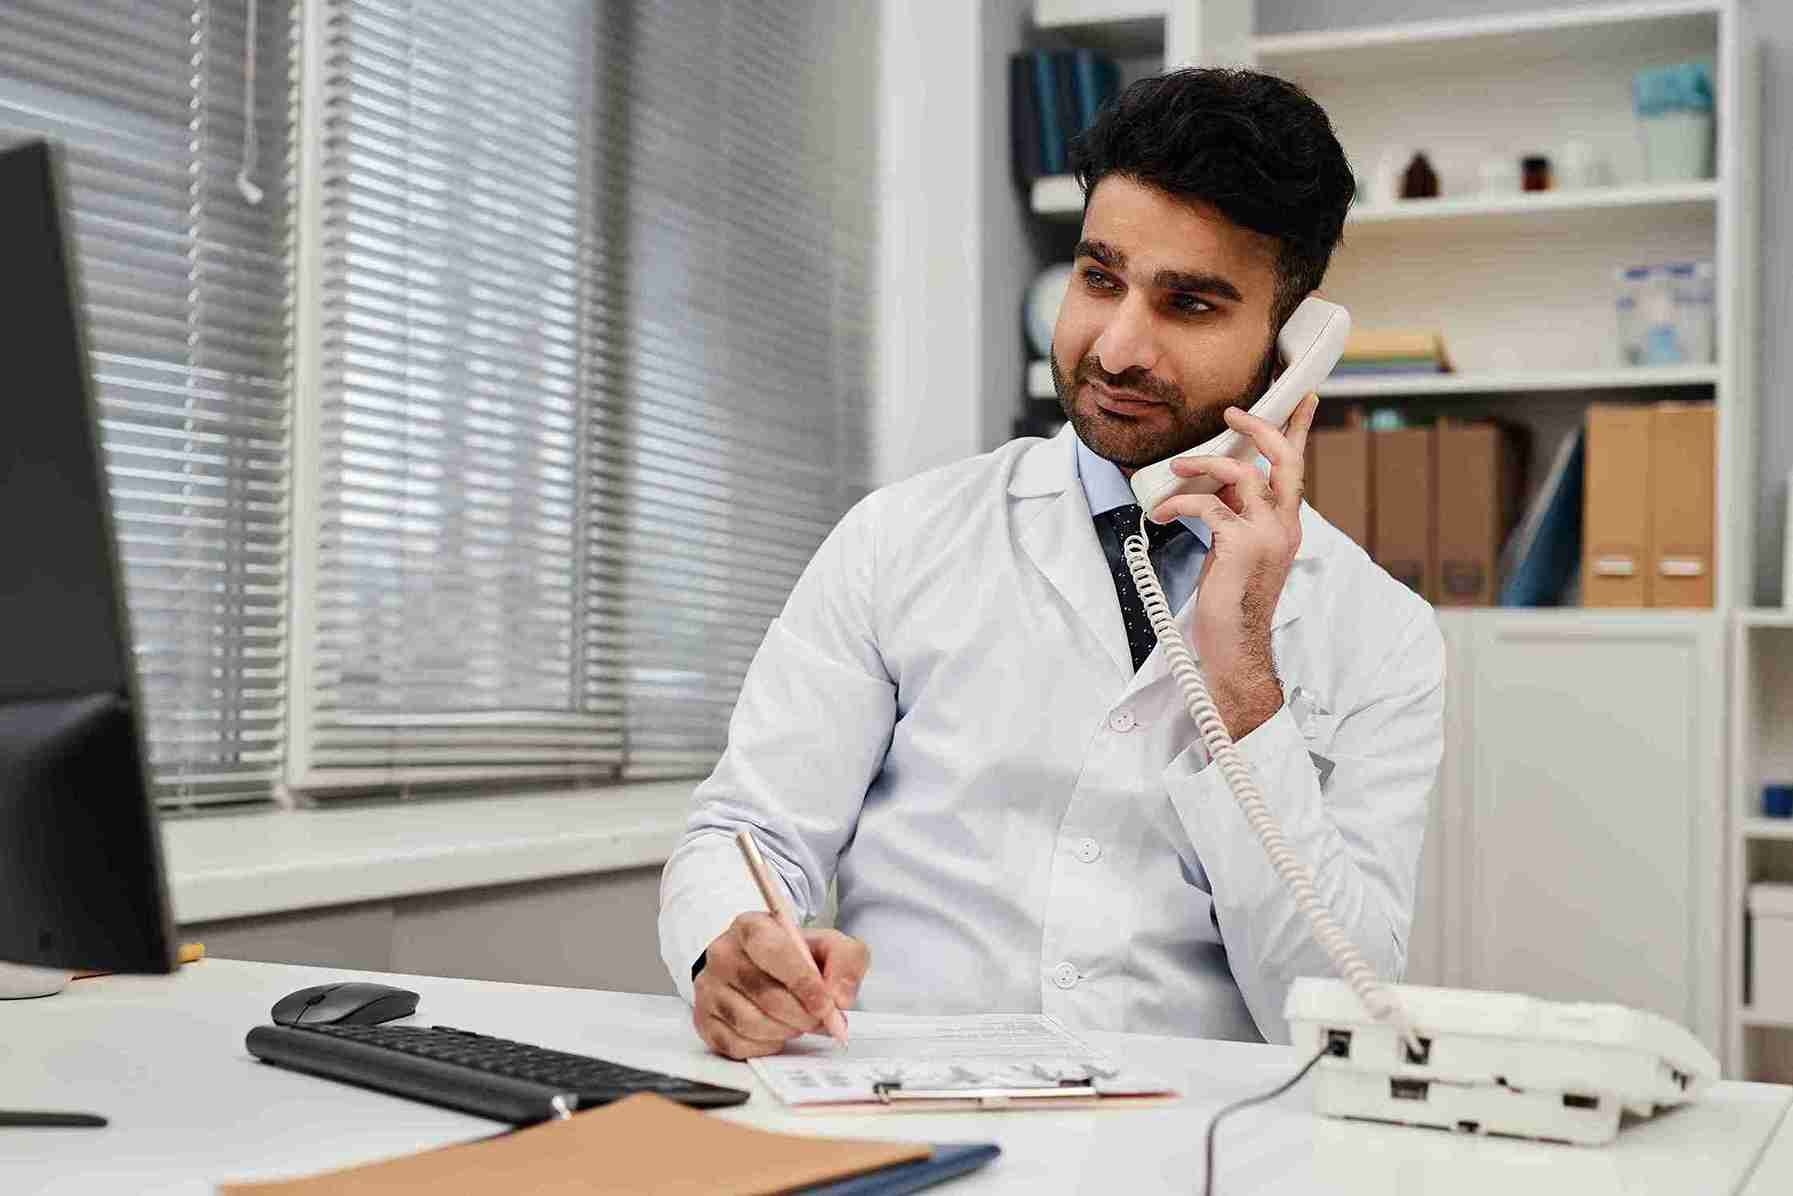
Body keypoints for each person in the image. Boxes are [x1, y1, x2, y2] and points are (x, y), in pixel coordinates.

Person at [657, 67, 1444, 1060]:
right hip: (904, 1104)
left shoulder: (1379, 632)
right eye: (1098, 277)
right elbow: (747, 832)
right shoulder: (899, 537)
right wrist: (726, 945)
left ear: (1293, 346)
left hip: (1196, 1145)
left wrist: (1243, 678)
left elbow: (1339, 1004)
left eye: (1188, 303)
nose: (1114, 346)